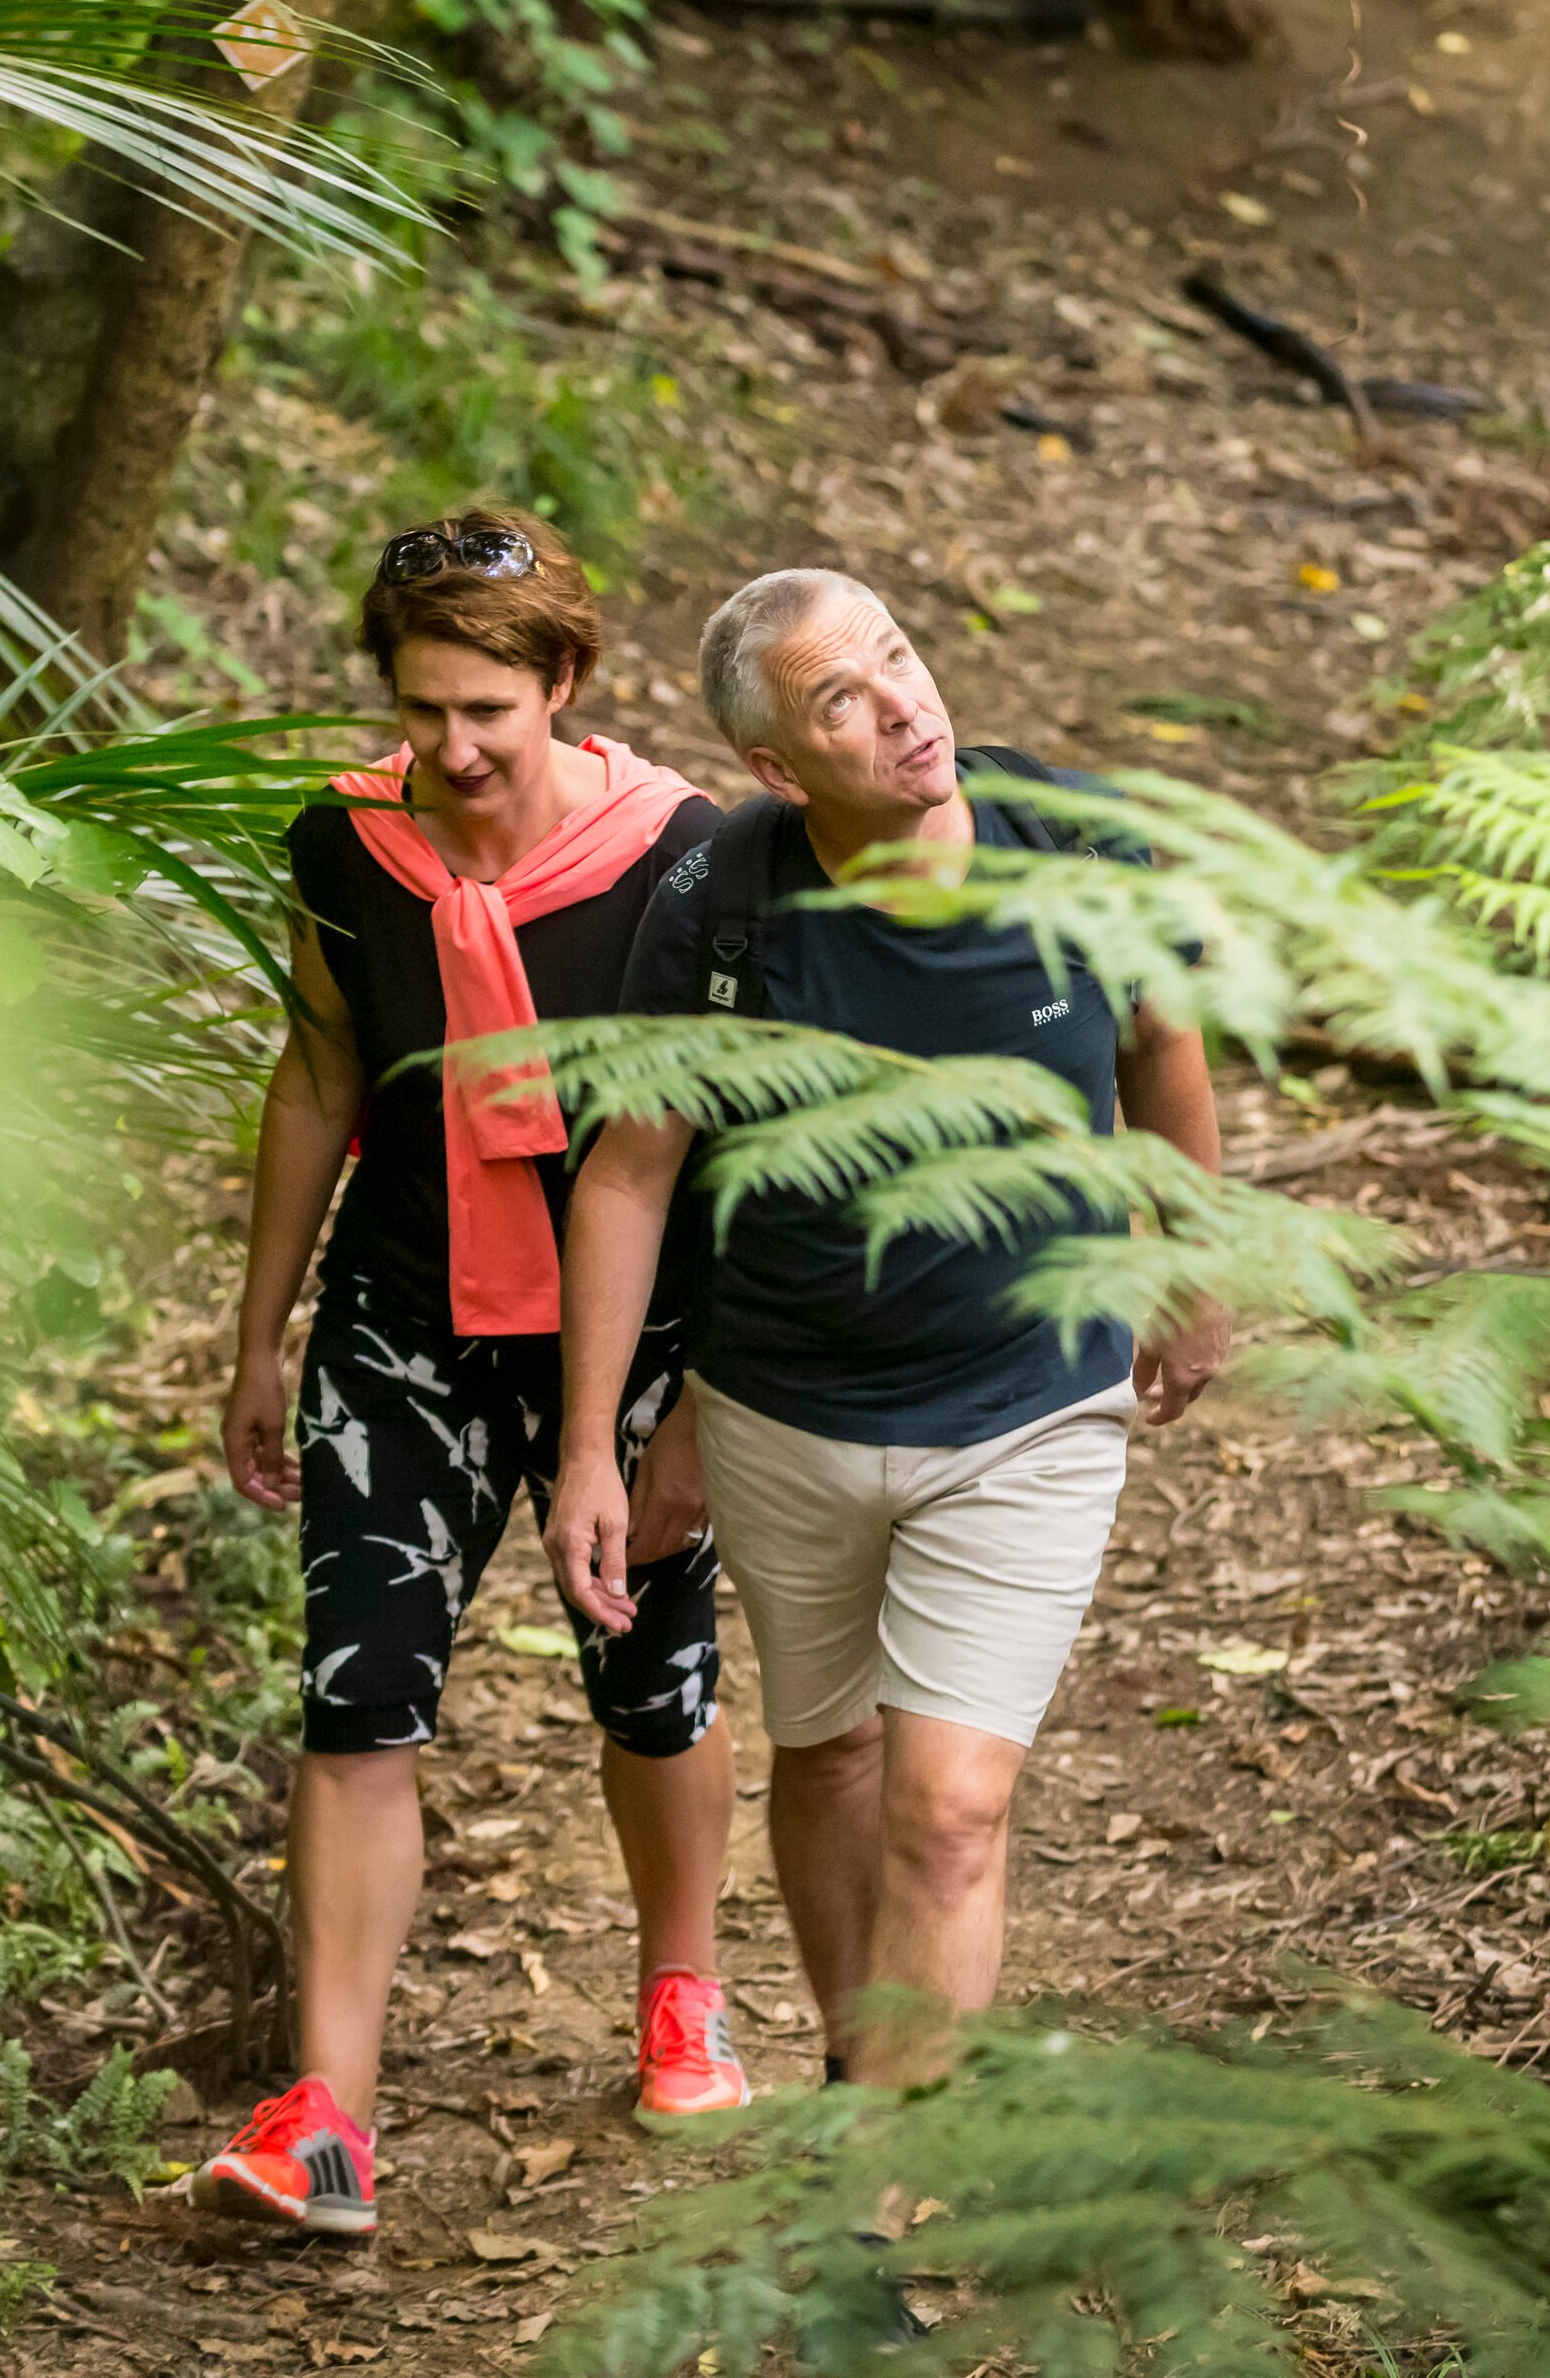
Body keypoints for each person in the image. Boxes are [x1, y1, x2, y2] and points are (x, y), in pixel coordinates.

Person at [545, 568, 1225, 2092]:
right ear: (783, 771)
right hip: (788, 1410)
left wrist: (1196, 1262)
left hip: (1029, 1405)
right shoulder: (721, 905)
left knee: (950, 1807)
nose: (905, 706)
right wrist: (598, 1440)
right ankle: (867, 2086)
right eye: (841, 698)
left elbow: (1164, 1043)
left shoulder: (1076, 845)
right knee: (833, 1754)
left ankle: (881, 2187)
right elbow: (631, 1172)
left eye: (900, 659)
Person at [202, 510, 750, 2237]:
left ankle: (683, 1996)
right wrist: (259, 1333)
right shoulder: (347, 846)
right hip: (404, 1308)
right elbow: (315, 1081)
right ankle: (328, 2119)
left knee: (649, 1684)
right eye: (422, 710)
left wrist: (697, 1413)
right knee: (356, 1699)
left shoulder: (686, 859)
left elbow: (720, 1144)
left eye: (488, 716)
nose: (450, 751)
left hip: (641, 1324)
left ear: (565, 686)